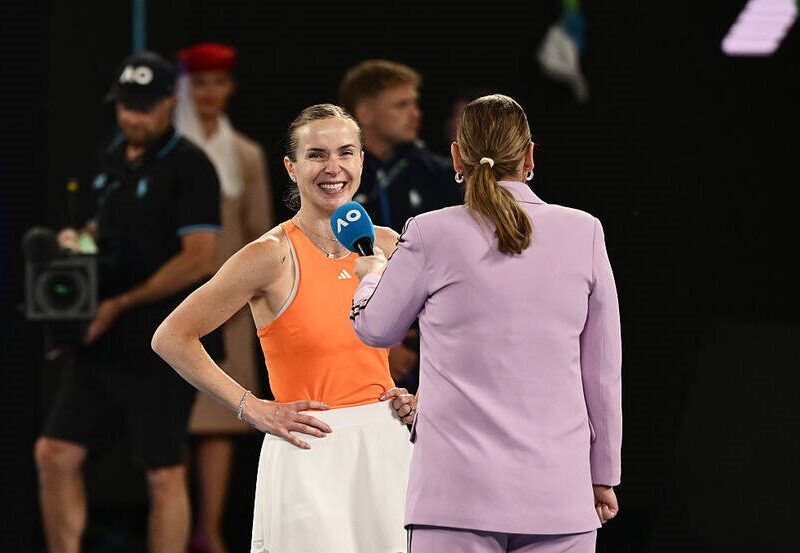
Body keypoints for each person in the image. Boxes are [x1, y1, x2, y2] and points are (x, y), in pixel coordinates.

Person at [351, 94, 622, 553]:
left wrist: (370, 277)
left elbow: (376, 329)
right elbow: (602, 374)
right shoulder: (585, 232)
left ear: (457, 157)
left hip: (454, 499)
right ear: (530, 156)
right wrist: (602, 475)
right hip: (559, 494)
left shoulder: (429, 232)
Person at [151, 103, 415, 553]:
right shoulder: (269, 254)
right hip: (309, 451)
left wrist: (422, 393)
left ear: (361, 162)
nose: (333, 168)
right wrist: (252, 408)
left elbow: (454, 329)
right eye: (316, 155)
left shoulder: (389, 245)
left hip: (386, 445)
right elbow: (172, 337)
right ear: (291, 168)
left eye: (346, 153)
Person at [33, 51, 223, 553]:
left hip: (164, 342)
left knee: (163, 470)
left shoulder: (192, 166)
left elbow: (200, 258)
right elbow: (107, 232)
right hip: (102, 338)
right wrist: (81, 242)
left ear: (169, 103)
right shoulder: (109, 158)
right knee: (54, 452)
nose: (132, 117)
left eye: (143, 106)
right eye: (124, 106)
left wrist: (121, 303)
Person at [175, 41, 274, 553]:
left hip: (230, 305)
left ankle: (208, 532)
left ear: (230, 88)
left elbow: (261, 233)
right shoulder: (170, 146)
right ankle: (174, 528)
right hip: (173, 300)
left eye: (218, 82)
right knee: (173, 420)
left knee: (221, 419)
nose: (209, 93)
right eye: (200, 83)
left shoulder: (246, 154)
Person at [340, 59, 462, 392]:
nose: (416, 113)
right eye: (401, 104)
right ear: (365, 114)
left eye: (415, 103)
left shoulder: (442, 176)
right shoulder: (334, 179)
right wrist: (383, 344)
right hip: (349, 340)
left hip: (435, 342)